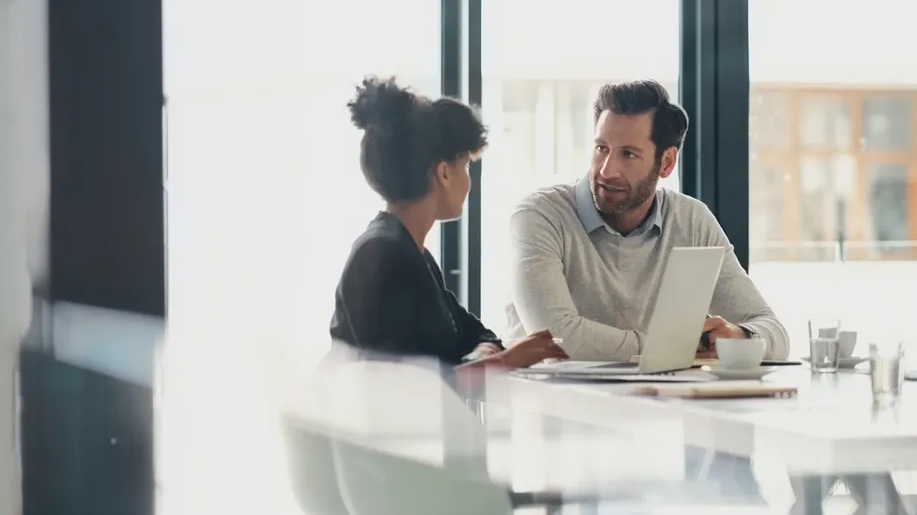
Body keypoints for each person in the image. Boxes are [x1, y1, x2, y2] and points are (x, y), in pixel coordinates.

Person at [505, 79, 789, 362]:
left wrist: (740, 337)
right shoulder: (541, 215)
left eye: (628, 154)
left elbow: (773, 332)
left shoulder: (691, 220)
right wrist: (674, 347)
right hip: (553, 403)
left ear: (666, 163)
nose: (607, 170)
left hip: (658, 402)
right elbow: (557, 339)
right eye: (602, 148)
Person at [330, 76, 566, 369]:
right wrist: (504, 361)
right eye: (466, 165)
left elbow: (476, 333)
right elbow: (406, 386)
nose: (468, 180)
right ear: (444, 173)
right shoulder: (382, 253)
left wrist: (483, 353)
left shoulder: (413, 253)